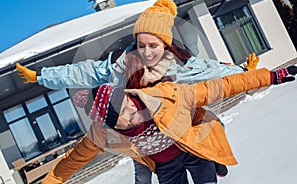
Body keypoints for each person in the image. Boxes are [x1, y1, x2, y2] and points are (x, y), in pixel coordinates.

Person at [16, 0, 260, 183]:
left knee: (210, 126)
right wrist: (41, 76)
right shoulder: (121, 64)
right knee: (142, 171)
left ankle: (214, 159)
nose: (148, 51)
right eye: (142, 44)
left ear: (165, 44)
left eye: (154, 45)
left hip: (176, 126)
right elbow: (83, 72)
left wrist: (242, 71)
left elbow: (211, 72)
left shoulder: (179, 65)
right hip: (137, 130)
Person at [42, 66, 296, 183]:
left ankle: (215, 161)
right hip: (163, 166)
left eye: (131, 104)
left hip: (191, 149)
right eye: (127, 117)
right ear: (112, 125)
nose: (135, 112)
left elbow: (220, 87)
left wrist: (271, 76)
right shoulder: (101, 134)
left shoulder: (165, 96)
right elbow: (72, 160)